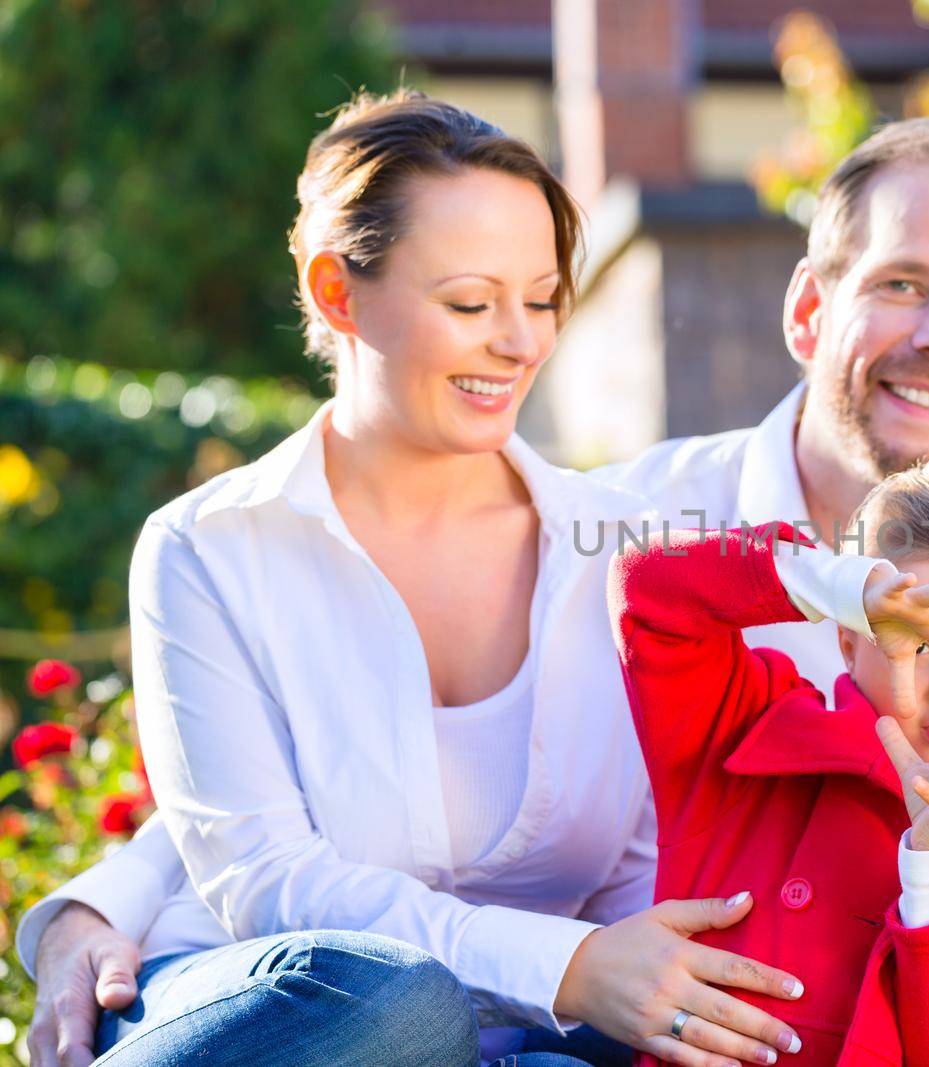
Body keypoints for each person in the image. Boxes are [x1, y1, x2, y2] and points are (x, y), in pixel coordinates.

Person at [22, 117, 929, 1067]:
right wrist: (97, 902)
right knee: (433, 1020)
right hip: (686, 1021)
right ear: (808, 308)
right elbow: (321, 785)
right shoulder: (638, 524)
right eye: (902, 284)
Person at [21, 90, 813, 1067]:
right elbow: (263, 878)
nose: (519, 342)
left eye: (542, 299)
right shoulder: (209, 547)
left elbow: (643, 875)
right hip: (281, 1002)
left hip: (539, 1035)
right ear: (336, 293)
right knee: (402, 1001)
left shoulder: (627, 553)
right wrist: (567, 964)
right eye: (471, 302)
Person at [610, 461, 929, 1066]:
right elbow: (648, 592)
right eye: (917, 642)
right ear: (848, 639)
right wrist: (835, 584)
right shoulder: (748, 735)